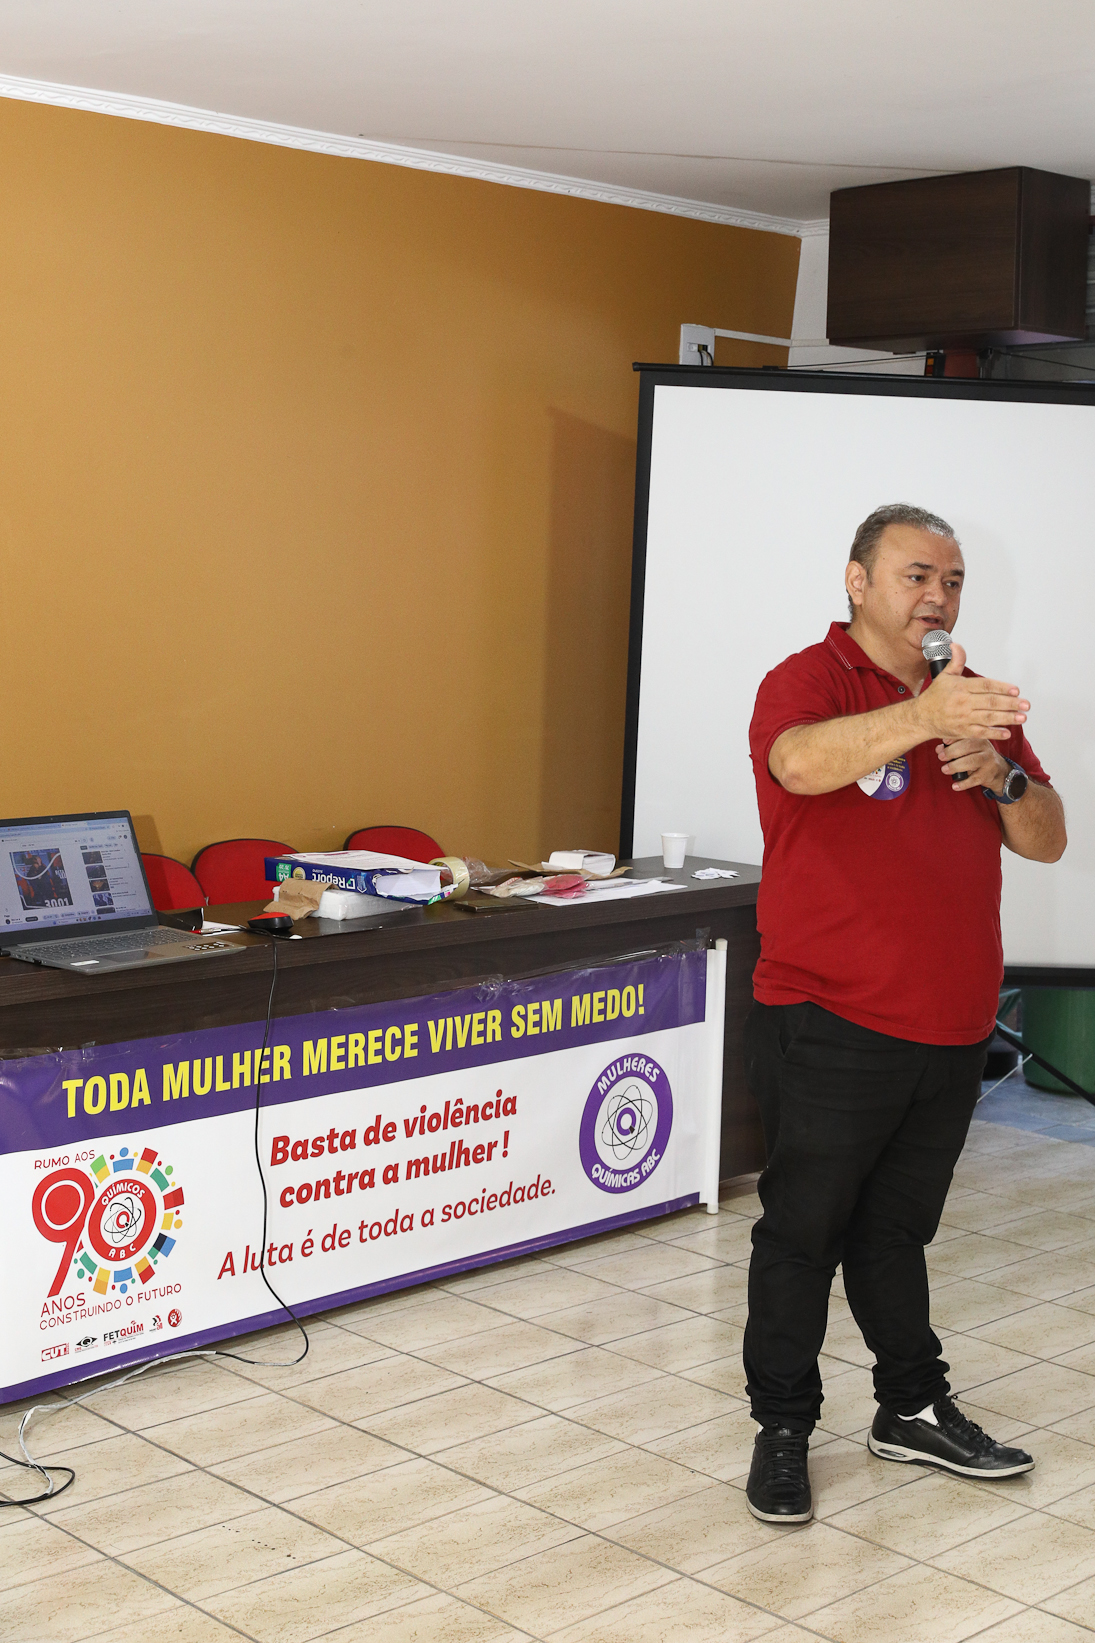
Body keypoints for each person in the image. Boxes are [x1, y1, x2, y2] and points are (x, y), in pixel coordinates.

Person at [742, 502, 1066, 1524]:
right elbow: (798, 763)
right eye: (918, 574)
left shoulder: (975, 704)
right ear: (858, 581)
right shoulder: (809, 679)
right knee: (803, 1230)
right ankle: (784, 1428)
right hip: (832, 1015)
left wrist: (1003, 771)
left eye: (954, 580)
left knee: (897, 1232)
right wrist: (928, 717)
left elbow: (1048, 838)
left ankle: (911, 1406)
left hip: (953, 1020)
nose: (939, 595)